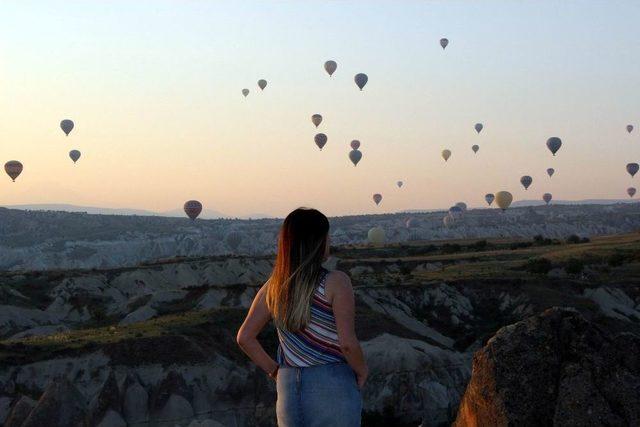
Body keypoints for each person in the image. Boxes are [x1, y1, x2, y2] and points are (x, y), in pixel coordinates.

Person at [237, 208, 368, 427]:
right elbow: (347, 344)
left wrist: (275, 371)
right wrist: (362, 370)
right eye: (327, 236)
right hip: (331, 385)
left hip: (288, 390)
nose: (330, 241)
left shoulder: (274, 287)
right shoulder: (336, 281)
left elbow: (244, 338)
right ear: (317, 241)